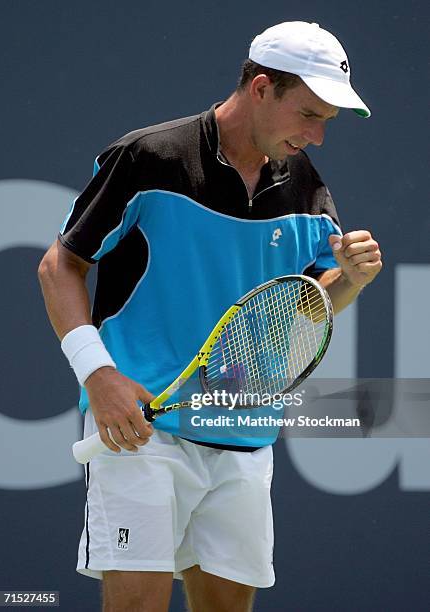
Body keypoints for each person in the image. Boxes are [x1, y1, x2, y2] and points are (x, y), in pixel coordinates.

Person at [38, 20, 382, 612]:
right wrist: (99, 377)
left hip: (243, 434)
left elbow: (305, 311)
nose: (319, 135)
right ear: (261, 88)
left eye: (327, 120)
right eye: (310, 113)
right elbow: (58, 267)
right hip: (141, 429)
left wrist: (348, 278)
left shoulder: (305, 188)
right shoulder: (149, 157)